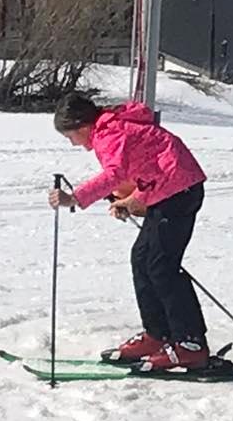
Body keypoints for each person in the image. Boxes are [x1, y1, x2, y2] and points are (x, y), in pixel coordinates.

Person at [47, 92, 211, 372]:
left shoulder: (109, 133)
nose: (72, 142)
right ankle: (157, 335)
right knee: (142, 259)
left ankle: (190, 344)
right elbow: (140, 167)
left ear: (82, 126)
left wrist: (75, 198)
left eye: (70, 135)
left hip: (178, 192)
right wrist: (126, 200)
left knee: (161, 266)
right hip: (166, 190)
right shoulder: (110, 128)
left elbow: (114, 173)